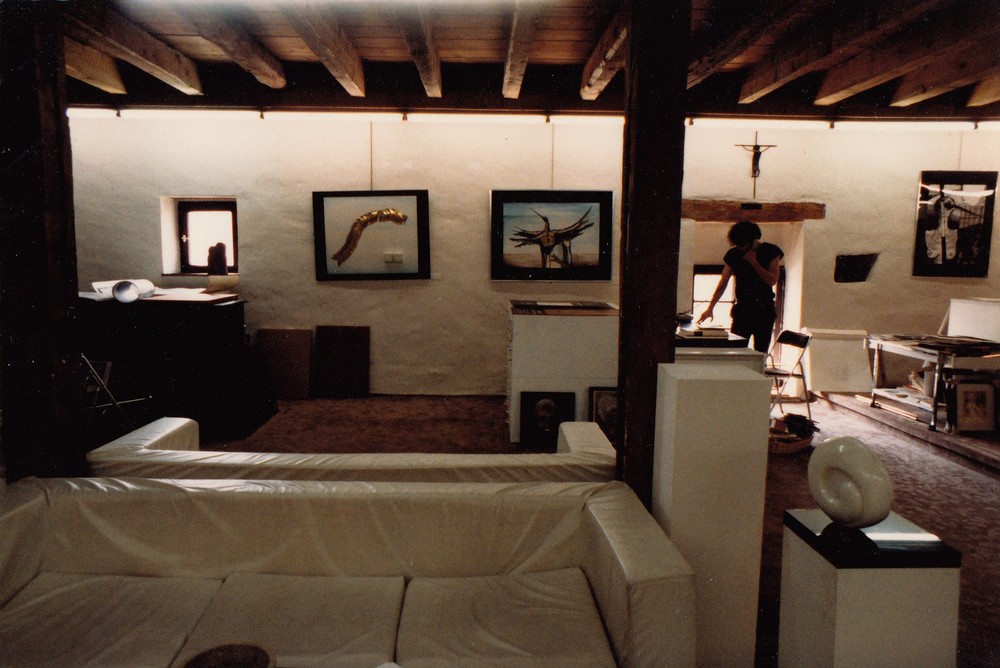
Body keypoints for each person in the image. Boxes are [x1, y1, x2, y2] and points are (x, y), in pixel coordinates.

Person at [697, 220, 783, 353]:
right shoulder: (734, 254)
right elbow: (723, 282)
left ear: (752, 241)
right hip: (742, 310)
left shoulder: (771, 251)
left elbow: (772, 280)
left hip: (764, 311)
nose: (740, 248)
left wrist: (753, 261)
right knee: (736, 351)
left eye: (742, 244)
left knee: (760, 353)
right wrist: (710, 308)